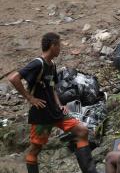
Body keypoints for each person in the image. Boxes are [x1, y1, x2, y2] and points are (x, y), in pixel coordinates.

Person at [8, 33, 98, 173]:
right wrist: (30, 99)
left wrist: (60, 105)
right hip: (41, 114)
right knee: (35, 149)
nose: (60, 49)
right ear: (52, 46)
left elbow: (52, 88)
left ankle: (90, 170)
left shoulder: (52, 65)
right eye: (59, 46)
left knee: (82, 131)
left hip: (56, 111)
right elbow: (14, 78)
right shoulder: (38, 63)